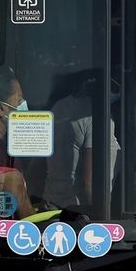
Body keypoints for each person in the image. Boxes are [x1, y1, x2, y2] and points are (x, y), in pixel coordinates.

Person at [43, 69, 121, 207]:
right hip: (78, 211)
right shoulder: (96, 114)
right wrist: (99, 222)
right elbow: (90, 182)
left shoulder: (60, 106)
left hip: (52, 203)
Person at [0, 66, 35, 218]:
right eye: (19, 100)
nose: (24, 106)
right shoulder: (0, 154)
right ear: (1, 109)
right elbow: (26, 219)